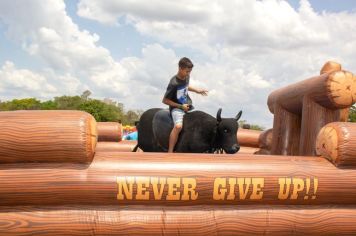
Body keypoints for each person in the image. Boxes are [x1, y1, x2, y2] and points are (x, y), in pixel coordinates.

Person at [162, 57, 208, 153]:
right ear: (180, 69)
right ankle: (170, 151)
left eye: (190, 72)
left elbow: (186, 86)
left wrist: (197, 91)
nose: (188, 74)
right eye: (187, 71)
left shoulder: (186, 77)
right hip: (176, 108)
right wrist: (180, 106)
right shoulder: (173, 83)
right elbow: (165, 100)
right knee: (178, 126)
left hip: (187, 106)